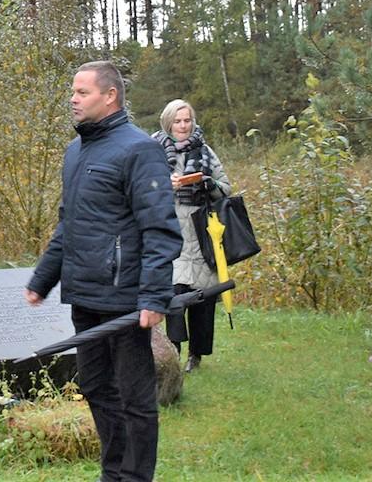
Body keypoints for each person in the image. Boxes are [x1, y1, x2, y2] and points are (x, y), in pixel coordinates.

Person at [25, 61, 180, 482]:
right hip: (85, 293)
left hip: (124, 297)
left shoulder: (138, 149)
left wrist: (153, 296)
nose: (73, 99)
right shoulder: (76, 152)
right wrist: (43, 279)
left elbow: (160, 228)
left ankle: (134, 477)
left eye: (82, 92)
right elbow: (69, 224)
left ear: (110, 96)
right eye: (73, 92)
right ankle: (113, 473)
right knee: (95, 387)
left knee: (134, 397)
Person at [152, 99, 232, 372]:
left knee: (202, 296)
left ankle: (196, 355)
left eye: (187, 120)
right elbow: (141, 186)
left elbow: (226, 188)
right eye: (178, 121)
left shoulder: (206, 151)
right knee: (173, 294)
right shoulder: (153, 151)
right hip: (169, 229)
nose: (184, 126)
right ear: (168, 122)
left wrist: (205, 182)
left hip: (201, 230)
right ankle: (173, 349)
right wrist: (165, 184)